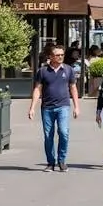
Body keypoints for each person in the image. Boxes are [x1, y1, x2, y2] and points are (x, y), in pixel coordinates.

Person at [27, 44, 79, 173]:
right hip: (47, 108)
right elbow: (37, 89)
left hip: (63, 106)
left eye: (62, 55)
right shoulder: (43, 71)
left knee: (64, 133)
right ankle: (51, 162)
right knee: (48, 136)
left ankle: (61, 160)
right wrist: (32, 107)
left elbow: (73, 88)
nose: (60, 57)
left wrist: (76, 106)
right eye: (57, 55)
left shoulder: (68, 70)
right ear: (51, 56)